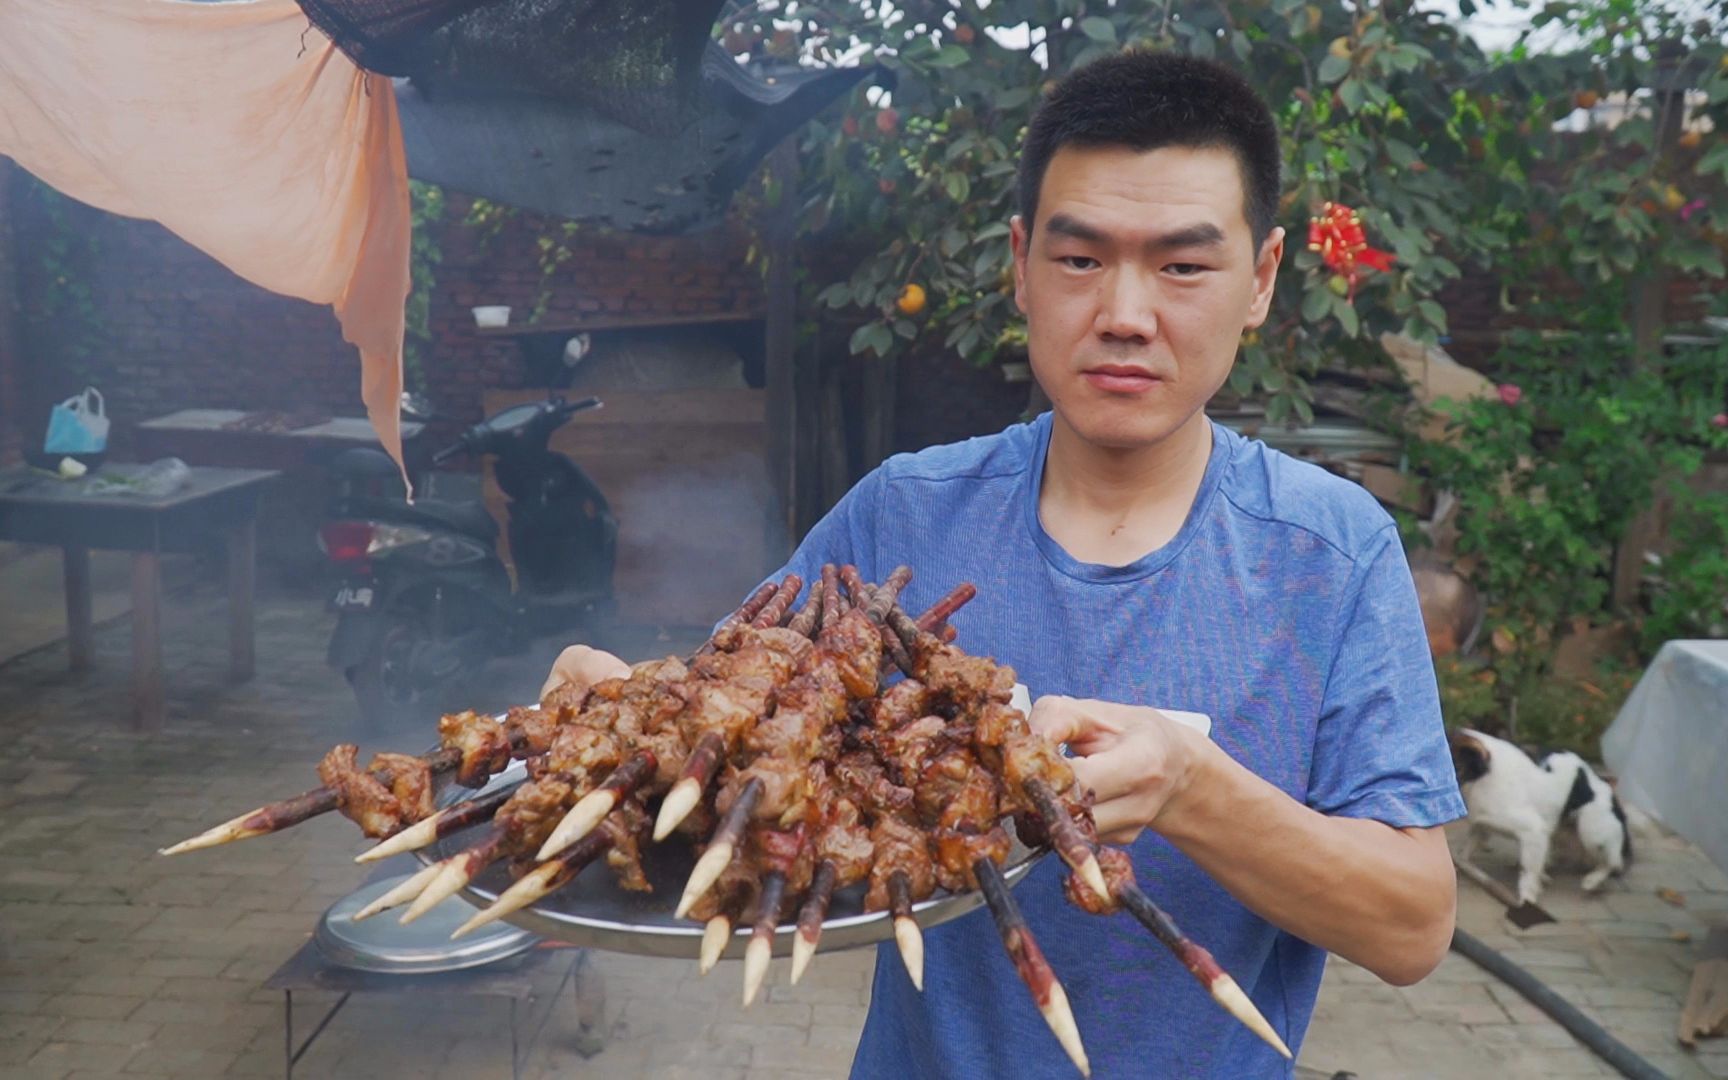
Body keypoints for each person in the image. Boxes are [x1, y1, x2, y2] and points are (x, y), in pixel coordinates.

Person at [545, 48, 1462, 1079]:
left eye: (1183, 265)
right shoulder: (902, 515)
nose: (1124, 311)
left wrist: (1194, 791)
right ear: (1020, 263)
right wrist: (610, 735)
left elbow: (1412, 927)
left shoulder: (1330, 556)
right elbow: (726, 754)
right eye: (1079, 258)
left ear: (1262, 279)